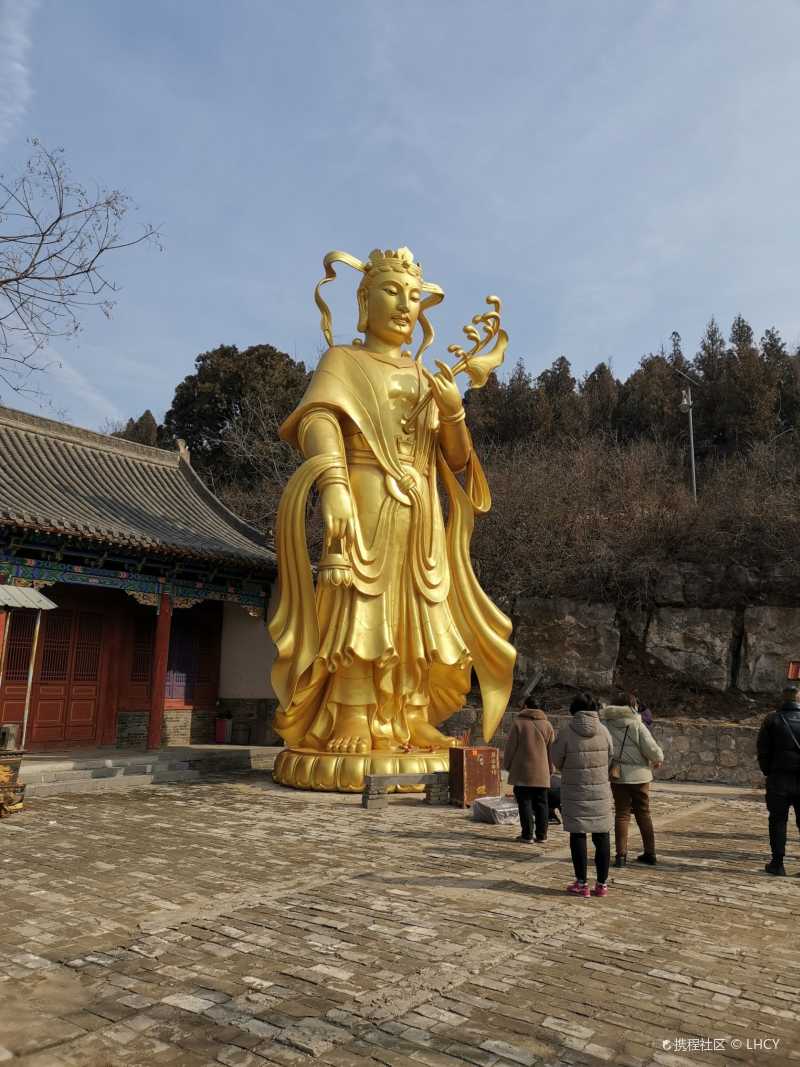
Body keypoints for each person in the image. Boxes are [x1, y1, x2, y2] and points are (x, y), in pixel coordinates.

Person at [269, 247, 516, 790]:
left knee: (420, 614)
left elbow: (456, 459)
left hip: (420, 504)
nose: (405, 306)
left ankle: (409, 714)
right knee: (361, 600)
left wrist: (452, 410)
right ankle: (353, 710)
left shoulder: (427, 375)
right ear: (362, 301)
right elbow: (318, 421)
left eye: (413, 297)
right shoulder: (343, 362)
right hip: (363, 489)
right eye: (390, 292)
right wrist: (332, 486)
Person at [550, 692, 614, 898]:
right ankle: (602, 885)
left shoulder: (567, 732)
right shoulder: (604, 731)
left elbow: (556, 760)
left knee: (578, 835)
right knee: (602, 835)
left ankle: (582, 883)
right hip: (600, 792)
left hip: (575, 791)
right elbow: (611, 757)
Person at [603, 692, 664, 867]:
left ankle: (620, 856)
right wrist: (658, 759)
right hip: (640, 776)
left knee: (622, 814)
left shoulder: (606, 723)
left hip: (617, 774)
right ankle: (650, 853)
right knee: (643, 813)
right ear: (632, 705)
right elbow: (651, 748)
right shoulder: (637, 724)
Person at [757, 684, 800, 876]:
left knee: (777, 821)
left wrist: (769, 771)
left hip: (779, 778)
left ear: (783, 698)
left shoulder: (772, 719)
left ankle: (777, 862)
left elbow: (763, 750)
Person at [503, 697, 555, 844]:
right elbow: (552, 750)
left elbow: (510, 748)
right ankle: (542, 835)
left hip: (522, 770)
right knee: (542, 803)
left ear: (525, 706)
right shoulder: (547, 725)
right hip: (542, 771)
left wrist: (507, 765)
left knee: (524, 802)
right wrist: (551, 768)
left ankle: (527, 835)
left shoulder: (519, 723)